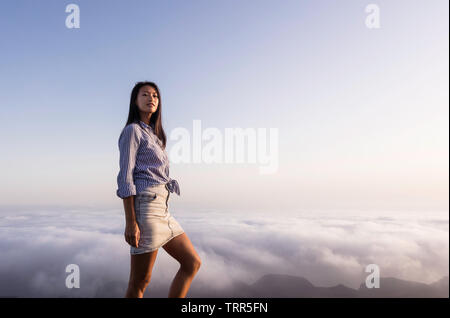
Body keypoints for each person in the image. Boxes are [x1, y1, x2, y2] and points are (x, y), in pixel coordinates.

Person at [116, 81, 201, 298]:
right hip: (147, 209)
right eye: (144, 94)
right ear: (135, 101)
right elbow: (126, 177)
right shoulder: (132, 131)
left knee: (192, 263)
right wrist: (131, 222)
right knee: (140, 282)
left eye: (155, 95)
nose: (151, 98)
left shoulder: (154, 136)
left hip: (164, 210)